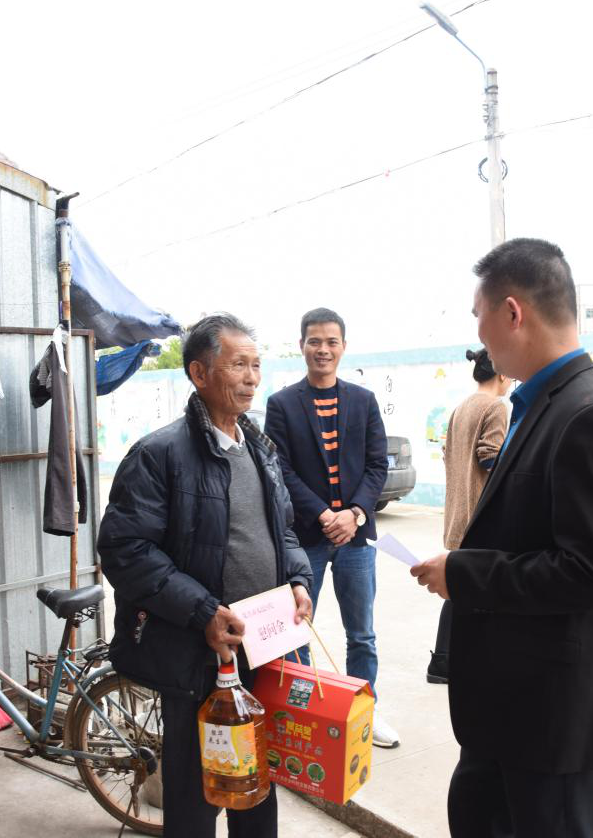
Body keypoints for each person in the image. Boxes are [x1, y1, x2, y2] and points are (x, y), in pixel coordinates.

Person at [410, 238, 593, 837]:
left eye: (478, 315)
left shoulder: (589, 413)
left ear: (512, 312)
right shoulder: (539, 404)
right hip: (513, 702)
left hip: (551, 715)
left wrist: (463, 572)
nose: (478, 334)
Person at [98, 313, 313, 838]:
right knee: (197, 794)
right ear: (198, 373)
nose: (251, 378)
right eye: (238, 365)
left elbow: (282, 530)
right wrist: (203, 612)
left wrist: (298, 580)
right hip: (198, 655)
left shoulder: (260, 450)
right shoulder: (159, 454)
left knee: (255, 781)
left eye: (256, 365)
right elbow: (124, 551)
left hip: (262, 648)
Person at [263, 308, 396, 748]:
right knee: (299, 631)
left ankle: (364, 713)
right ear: (301, 345)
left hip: (356, 538)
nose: (323, 349)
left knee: (363, 635)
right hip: (308, 538)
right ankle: (303, 715)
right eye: (315, 341)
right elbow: (280, 470)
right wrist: (324, 514)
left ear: (343, 346)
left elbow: (377, 465)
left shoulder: (363, 400)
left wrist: (354, 514)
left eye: (331, 341)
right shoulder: (282, 404)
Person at [427, 347, 513, 684]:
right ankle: (449, 661)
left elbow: (448, 455)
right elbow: (490, 456)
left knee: (460, 588)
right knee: (473, 589)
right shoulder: (496, 406)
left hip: (457, 517)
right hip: (480, 517)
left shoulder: (460, 407)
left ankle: (444, 661)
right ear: (501, 374)